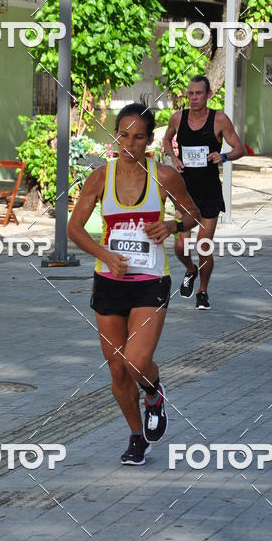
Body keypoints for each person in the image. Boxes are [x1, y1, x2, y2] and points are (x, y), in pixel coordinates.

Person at [68, 103, 200, 466]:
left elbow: (192, 213)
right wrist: (106, 255)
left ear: (150, 139)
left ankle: (153, 394)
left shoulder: (165, 176)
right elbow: (74, 228)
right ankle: (137, 436)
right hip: (109, 280)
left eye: (138, 137)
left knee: (136, 362)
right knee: (117, 368)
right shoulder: (100, 177)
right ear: (116, 136)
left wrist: (172, 226)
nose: (130, 143)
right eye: (124, 135)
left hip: (150, 280)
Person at [162, 75, 245, 310]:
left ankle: (202, 291)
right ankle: (190, 270)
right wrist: (174, 158)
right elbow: (166, 140)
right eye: (190, 93)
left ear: (208, 95)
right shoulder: (178, 118)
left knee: (203, 245)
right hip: (185, 192)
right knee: (181, 246)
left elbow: (240, 149)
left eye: (199, 93)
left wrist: (224, 156)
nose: (194, 97)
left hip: (209, 191)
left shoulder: (219, 119)